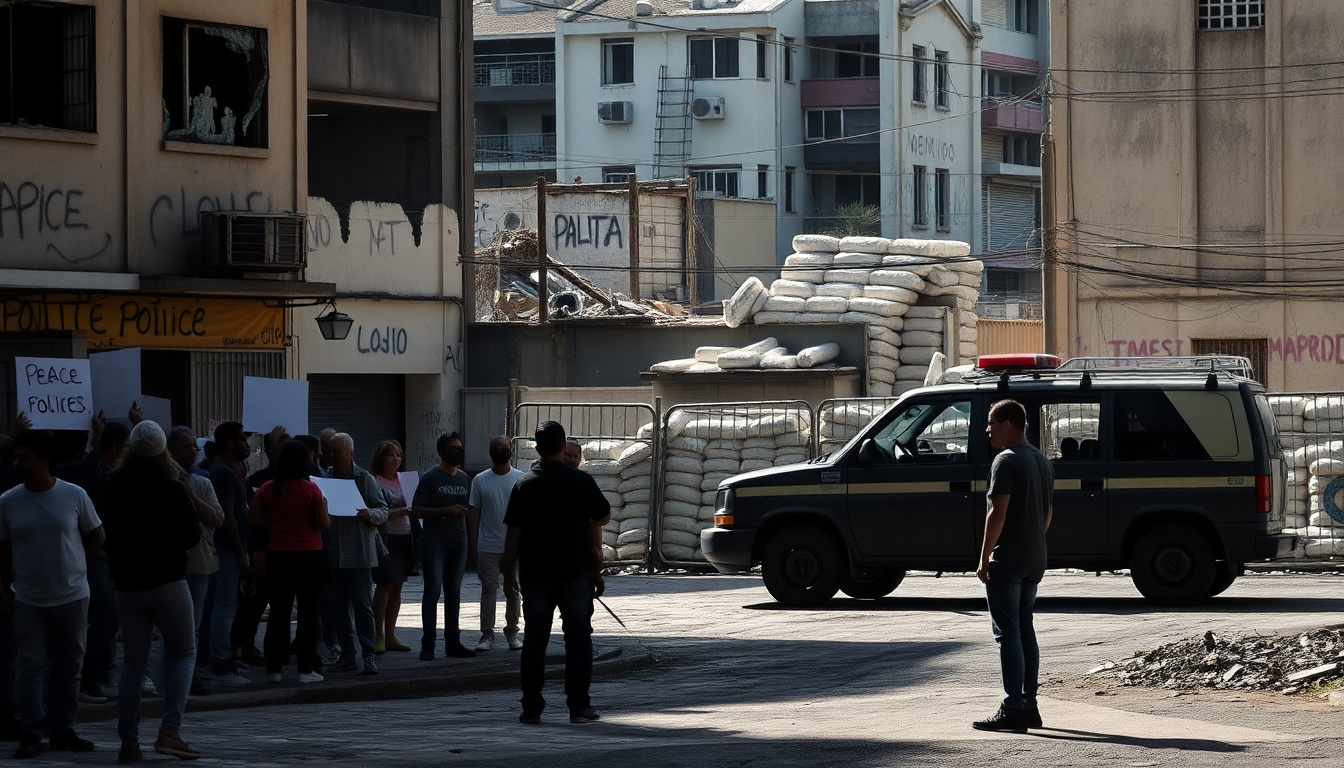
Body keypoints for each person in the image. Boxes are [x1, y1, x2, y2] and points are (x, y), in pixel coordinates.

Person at [101, 422, 203, 762]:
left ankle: (128, 741)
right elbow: (192, 534)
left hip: (126, 584)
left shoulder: (112, 484)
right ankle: (169, 731)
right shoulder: (171, 487)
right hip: (167, 580)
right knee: (184, 652)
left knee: (133, 662)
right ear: (163, 451)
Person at [0, 429, 104, 758]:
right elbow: (2, 549)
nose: (17, 463)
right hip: (28, 599)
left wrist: (76, 563)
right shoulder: (8, 501)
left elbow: (96, 535)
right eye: (16, 457)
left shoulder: (74, 495)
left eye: (24, 458)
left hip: (72, 596)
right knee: (30, 668)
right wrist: (4, 586)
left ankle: (62, 730)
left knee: (69, 668)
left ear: (45, 460)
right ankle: (32, 731)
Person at [502, 421, 610, 725]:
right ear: (564, 447)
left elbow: (513, 535)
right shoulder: (582, 481)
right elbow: (603, 515)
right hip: (575, 573)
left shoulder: (523, 484)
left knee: (535, 640)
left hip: (535, 574)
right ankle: (578, 706)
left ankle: (531, 708)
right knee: (578, 639)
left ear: (537, 448)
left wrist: (508, 574)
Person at [973, 399, 1054, 733]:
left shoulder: (1005, 460)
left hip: (1008, 559)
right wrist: (1034, 540)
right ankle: (1029, 705)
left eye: (991, 422)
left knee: (1008, 634)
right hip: (1035, 557)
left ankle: (1013, 708)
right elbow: (1048, 512)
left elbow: (998, 513)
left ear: (1008, 424)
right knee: (1025, 629)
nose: (987, 429)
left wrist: (983, 558)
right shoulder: (1041, 460)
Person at [54, 415, 130, 705]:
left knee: (105, 619)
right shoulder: (76, 473)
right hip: (88, 554)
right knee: (99, 618)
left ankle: (96, 676)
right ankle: (89, 680)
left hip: (100, 554)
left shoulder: (100, 470)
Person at [249, 440, 330, 684]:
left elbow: (253, 516)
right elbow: (323, 524)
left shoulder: (268, 488)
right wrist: (324, 507)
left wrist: (275, 522)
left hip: (278, 554)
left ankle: (274, 668)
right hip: (309, 554)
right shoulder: (311, 489)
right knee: (308, 612)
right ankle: (305, 669)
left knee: (278, 612)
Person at [322, 434, 389, 676]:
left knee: (362, 605)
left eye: (337, 451)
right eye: (330, 451)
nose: (332, 455)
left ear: (351, 453)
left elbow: (383, 509)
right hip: (334, 553)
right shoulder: (325, 479)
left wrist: (370, 515)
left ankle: (369, 654)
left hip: (360, 552)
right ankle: (347, 655)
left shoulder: (364, 479)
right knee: (339, 607)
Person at [167, 427, 224, 697]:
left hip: (198, 563)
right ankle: (169, 674)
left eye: (194, 446)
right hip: (167, 565)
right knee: (169, 625)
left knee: (194, 624)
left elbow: (217, 518)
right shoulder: (161, 481)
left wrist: (192, 496)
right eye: (186, 446)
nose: (193, 451)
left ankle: (189, 676)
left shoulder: (201, 482)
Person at [410, 433, 475, 660]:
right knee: (433, 590)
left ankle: (453, 642)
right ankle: (428, 644)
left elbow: (470, 509)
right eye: (453, 448)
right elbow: (416, 510)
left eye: (460, 448)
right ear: (441, 452)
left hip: (459, 539)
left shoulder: (465, 479)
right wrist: (446, 510)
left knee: (454, 592)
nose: (458, 452)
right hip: (434, 540)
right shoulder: (430, 477)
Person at [233, 426, 289, 670]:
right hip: (262, 549)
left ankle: (275, 649)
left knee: (280, 604)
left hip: (285, 550)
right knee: (254, 602)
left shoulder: (300, 480)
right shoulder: (258, 481)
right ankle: (244, 645)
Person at [467, 437, 524, 652]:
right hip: (487, 546)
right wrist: (473, 543)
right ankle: (487, 633)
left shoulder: (520, 478)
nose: (501, 451)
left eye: (504, 448)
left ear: (511, 450)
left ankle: (512, 631)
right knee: (488, 590)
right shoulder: (480, 480)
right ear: (490, 452)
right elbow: (474, 512)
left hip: (514, 547)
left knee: (513, 590)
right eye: (496, 449)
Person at [206, 422, 253, 687]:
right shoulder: (222, 472)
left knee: (228, 605)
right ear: (229, 443)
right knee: (224, 606)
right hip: (227, 549)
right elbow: (227, 516)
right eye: (242, 439)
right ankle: (221, 665)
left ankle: (225, 658)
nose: (247, 444)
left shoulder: (232, 470)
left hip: (232, 548)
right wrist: (240, 552)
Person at [370, 441, 414, 654]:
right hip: (385, 538)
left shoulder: (406, 480)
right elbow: (375, 512)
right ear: (381, 458)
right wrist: (403, 511)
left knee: (398, 586)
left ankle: (391, 634)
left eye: (398, 454)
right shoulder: (374, 481)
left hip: (405, 536)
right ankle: (378, 635)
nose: (396, 459)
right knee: (385, 584)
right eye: (391, 455)